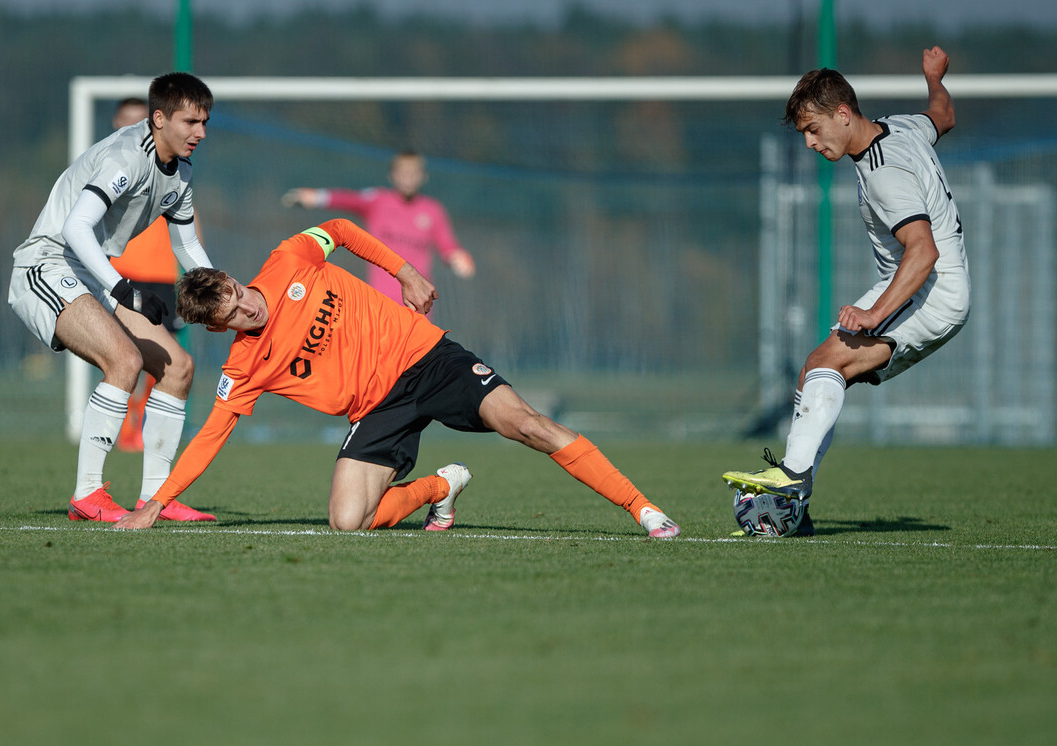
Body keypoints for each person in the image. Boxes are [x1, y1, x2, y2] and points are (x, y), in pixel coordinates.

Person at [115, 218, 680, 539]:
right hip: (378, 410)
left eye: (239, 298)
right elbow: (211, 436)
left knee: (527, 424)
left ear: (236, 281)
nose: (247, 312)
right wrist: (156, 504)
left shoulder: (289, 258)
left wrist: (405, 271)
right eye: (231, 317)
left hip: (428, 358)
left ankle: (642, 508)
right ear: (218, 330)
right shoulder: (243, 367)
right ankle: (439, 487)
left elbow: (340, 229)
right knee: (346, 524)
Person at [721, 46, 970, 536]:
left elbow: (923, 252)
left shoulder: (882, 172)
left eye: (814, 130)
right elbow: (944, 114)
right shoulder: (901, 127)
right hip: (925, 288)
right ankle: (798, 505)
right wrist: (934, 79)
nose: (811, 143)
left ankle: (792, 482)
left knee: (825, 365)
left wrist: (875, 312)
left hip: (931, 290)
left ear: (842, 113)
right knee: (818, 367)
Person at [8, 72, 218, 523]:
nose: (200, 132)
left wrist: (222, 290)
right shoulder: (127, 157)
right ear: (158, 118)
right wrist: (123, 289)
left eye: (204, 121)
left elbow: (184, 245)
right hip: (46, 264)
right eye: (190, 122)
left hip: (91, 272)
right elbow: (75, 228)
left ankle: (155, 498)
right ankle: (88, 495)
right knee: (124, 361)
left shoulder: (180, 172)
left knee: (177, 368)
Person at [281, 150, 475, 304]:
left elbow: (447, 244)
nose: (408, 178)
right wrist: (316, 197)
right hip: (378, 301)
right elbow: (347, 199)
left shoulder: (433, 210)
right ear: (393, 176)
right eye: (403, 172)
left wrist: (456, 257)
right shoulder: (378, 200)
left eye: (413, 173)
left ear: (423, 177)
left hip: (417, 302)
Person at [108, 97, 186, 453]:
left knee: (165, 359)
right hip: (120, 272)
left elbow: (188, 223)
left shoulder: (172, 169)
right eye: (126, 120)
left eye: (138, 121)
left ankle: (141, 422)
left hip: (161, 275)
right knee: (121, 353)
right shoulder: (110, 165)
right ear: (114, 122)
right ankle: (121, 425)